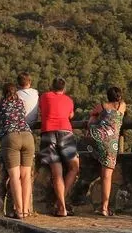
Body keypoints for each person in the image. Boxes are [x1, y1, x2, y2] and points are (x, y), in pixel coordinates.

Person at [0, 82, 35, 218]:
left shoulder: (2, 102)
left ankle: (19, 211)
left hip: (11, 137)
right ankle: (27, 209)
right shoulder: (21, 102)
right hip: (28, 136)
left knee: (15, 177)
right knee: (26, 176)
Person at [39, 77, 79, 217]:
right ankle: (59, 202)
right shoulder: (69, 100)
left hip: (48, 132)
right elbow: (71, 115)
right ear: (64, 88)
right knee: (74, 167)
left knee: (57, 174)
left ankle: (61, 207)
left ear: (52, 86)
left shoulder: (44, 96)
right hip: (66, 132)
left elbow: (41, 110)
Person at [86, 86, 126, 217]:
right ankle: (104, 207)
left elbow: (92, 115)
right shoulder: (122, 106)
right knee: (107, 176)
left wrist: (93, 121)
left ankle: (95, 156)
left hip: (98, 138)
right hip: (112, 144)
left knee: (102, 171)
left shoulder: (103, 106)